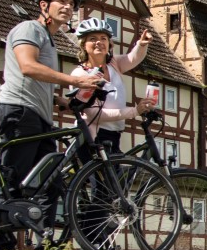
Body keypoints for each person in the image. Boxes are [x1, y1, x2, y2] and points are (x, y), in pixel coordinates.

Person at [0, 0, 104, 250]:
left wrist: (60, 100)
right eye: (61, 2)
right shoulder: (30, 29)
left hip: (38, 116)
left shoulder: (50, 41)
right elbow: (28, 67)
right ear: (44, 6)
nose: (68, 7)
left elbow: (38, 81)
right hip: (19, 110)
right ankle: (1, 242)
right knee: (14, 178)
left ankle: (43, 242)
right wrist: (74, 81)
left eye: (71, 4)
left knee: (50, 180)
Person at [67, 16, 157, 154]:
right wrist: (134, 111)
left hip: (114, 134)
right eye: (92, 39)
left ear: (109, 44)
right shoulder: (80, 75)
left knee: (118, 174)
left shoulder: (113, 64)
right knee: (102, 175)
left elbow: (132, 59)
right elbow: (93, 113)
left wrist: (142, 44)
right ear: (83, 45)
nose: (99, 42)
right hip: (92, 136)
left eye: (103, 38)